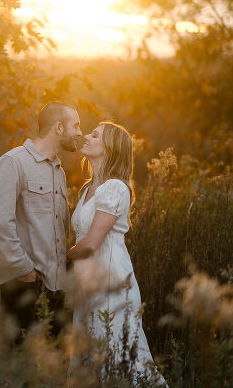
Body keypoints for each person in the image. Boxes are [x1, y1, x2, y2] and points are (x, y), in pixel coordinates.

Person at [67, 121, 167, 386]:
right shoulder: (87, 188)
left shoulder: (115, 187)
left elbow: (90, 244)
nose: (86, 136)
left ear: (109, 148)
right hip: (88, 283)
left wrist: (61, 256)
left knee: (117, 352)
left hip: (111, 281)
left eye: (94, 135)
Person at [0, 102, 82, 336]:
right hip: (22, 284)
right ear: (58, 127)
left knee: (51, 364)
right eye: (76, 125)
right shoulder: (13, 162)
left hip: (54, 287)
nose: (80, 133)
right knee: (21, 362)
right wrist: (24, 269)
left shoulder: (58, 171)